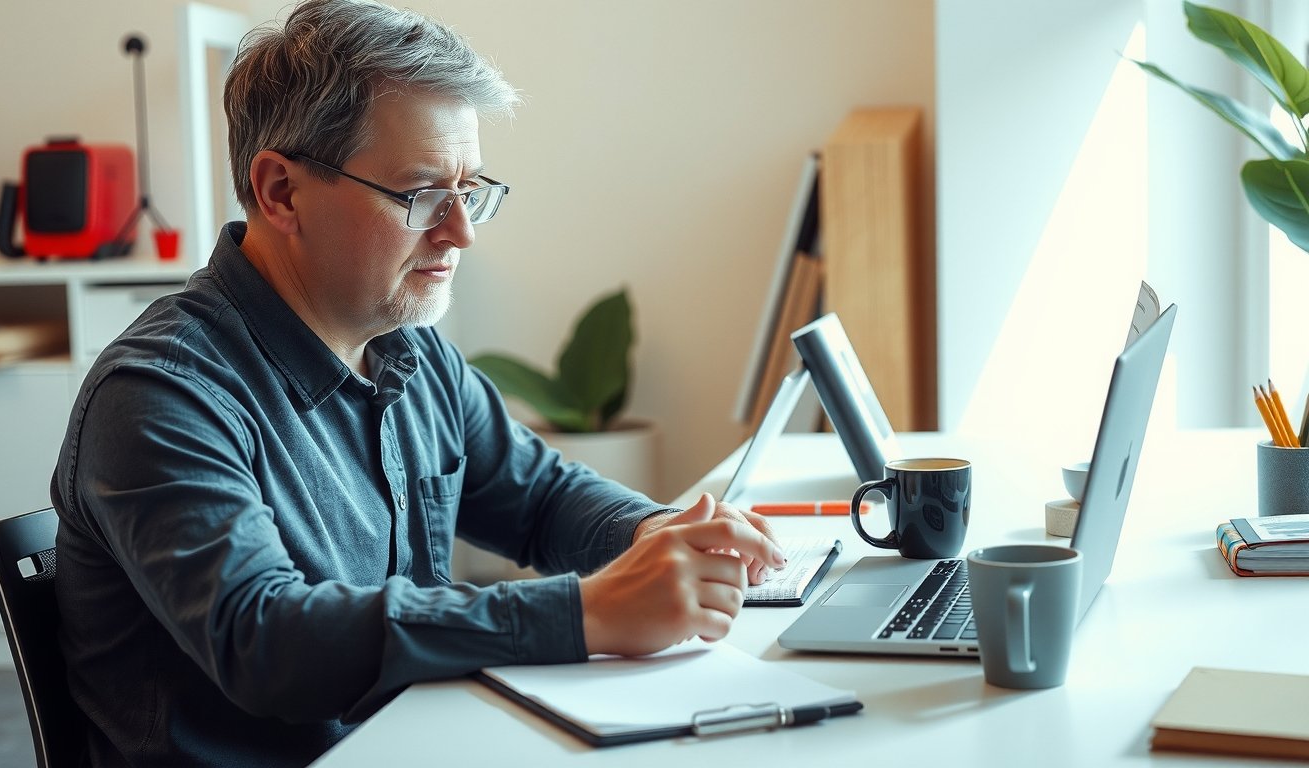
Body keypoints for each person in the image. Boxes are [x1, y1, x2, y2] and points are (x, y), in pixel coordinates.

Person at [50, 0, 783, 765]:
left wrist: (652, 533)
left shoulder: (409, 350)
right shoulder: (162, 395)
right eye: (423, 194)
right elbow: (264, 637)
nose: (460, 230)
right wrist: (584, 611)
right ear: (281, 192)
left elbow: (538, 497)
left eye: (470, 190)